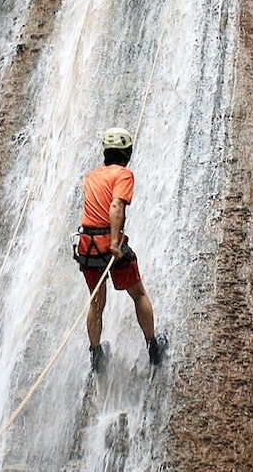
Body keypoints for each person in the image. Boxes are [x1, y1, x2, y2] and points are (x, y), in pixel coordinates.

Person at [74, 127, 163, 372]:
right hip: (107, 244)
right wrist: (115, 243)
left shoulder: (91, 176)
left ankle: (95, 355)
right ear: (128, 153)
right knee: (138, 294)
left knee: (96, 303)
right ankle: (153, 348)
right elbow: (115, 206)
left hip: (87, 246)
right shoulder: (123, 174)